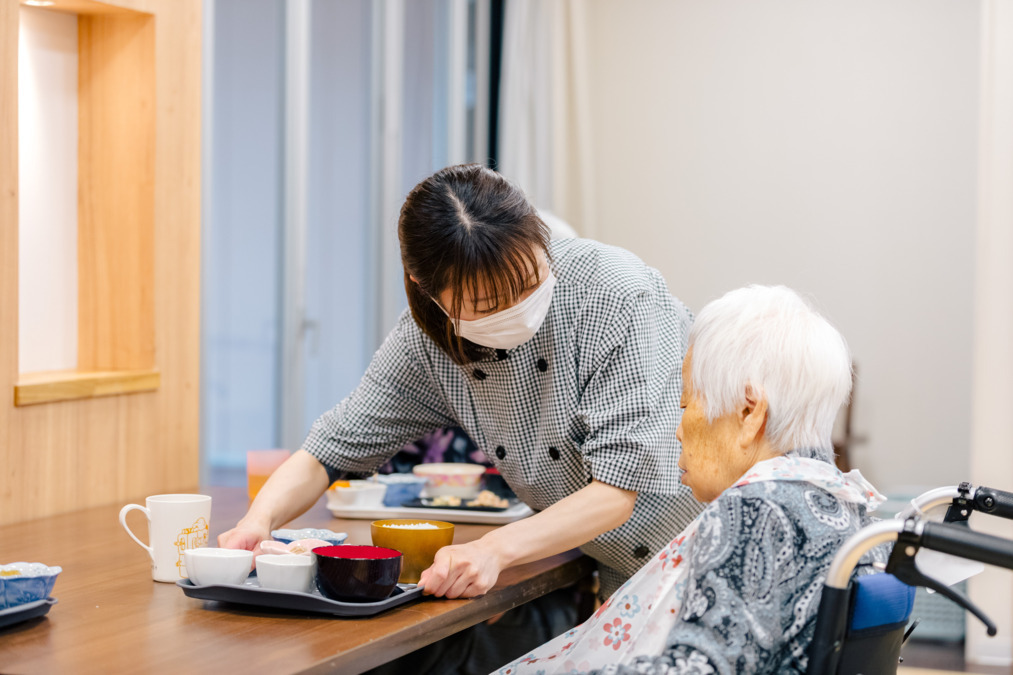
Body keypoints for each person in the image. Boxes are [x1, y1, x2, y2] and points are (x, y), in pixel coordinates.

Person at [218, 163, 702, 620]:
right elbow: (331, 449)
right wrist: (257, 523)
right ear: (424, 287)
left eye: (531, 282)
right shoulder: (427, 344)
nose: (518, 308)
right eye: (490, 303)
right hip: (628, 577)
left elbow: (616, 492)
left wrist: (494, 549)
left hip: (712, 542)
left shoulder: (616, 294)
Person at [496, 285, 886, 675]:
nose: (678, 430)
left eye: (685, 404)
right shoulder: (847, 505)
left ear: (750, 413)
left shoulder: (755, 511)